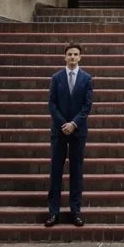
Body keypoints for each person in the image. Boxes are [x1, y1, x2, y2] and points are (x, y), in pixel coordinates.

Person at [45, 43, 93, 227]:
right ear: (65, 57)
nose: (72, 57)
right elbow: (52, 103)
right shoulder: (56, 78)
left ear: (80, 57)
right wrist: (63, 123)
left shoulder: (87, 79)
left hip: (78, 131)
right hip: (59, 130)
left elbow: (87, 106)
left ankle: (75, 211)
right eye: (69, 54)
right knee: (56, 171)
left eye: (75, 54)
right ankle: (53, 212)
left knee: (76, 171)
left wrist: (73, 124)